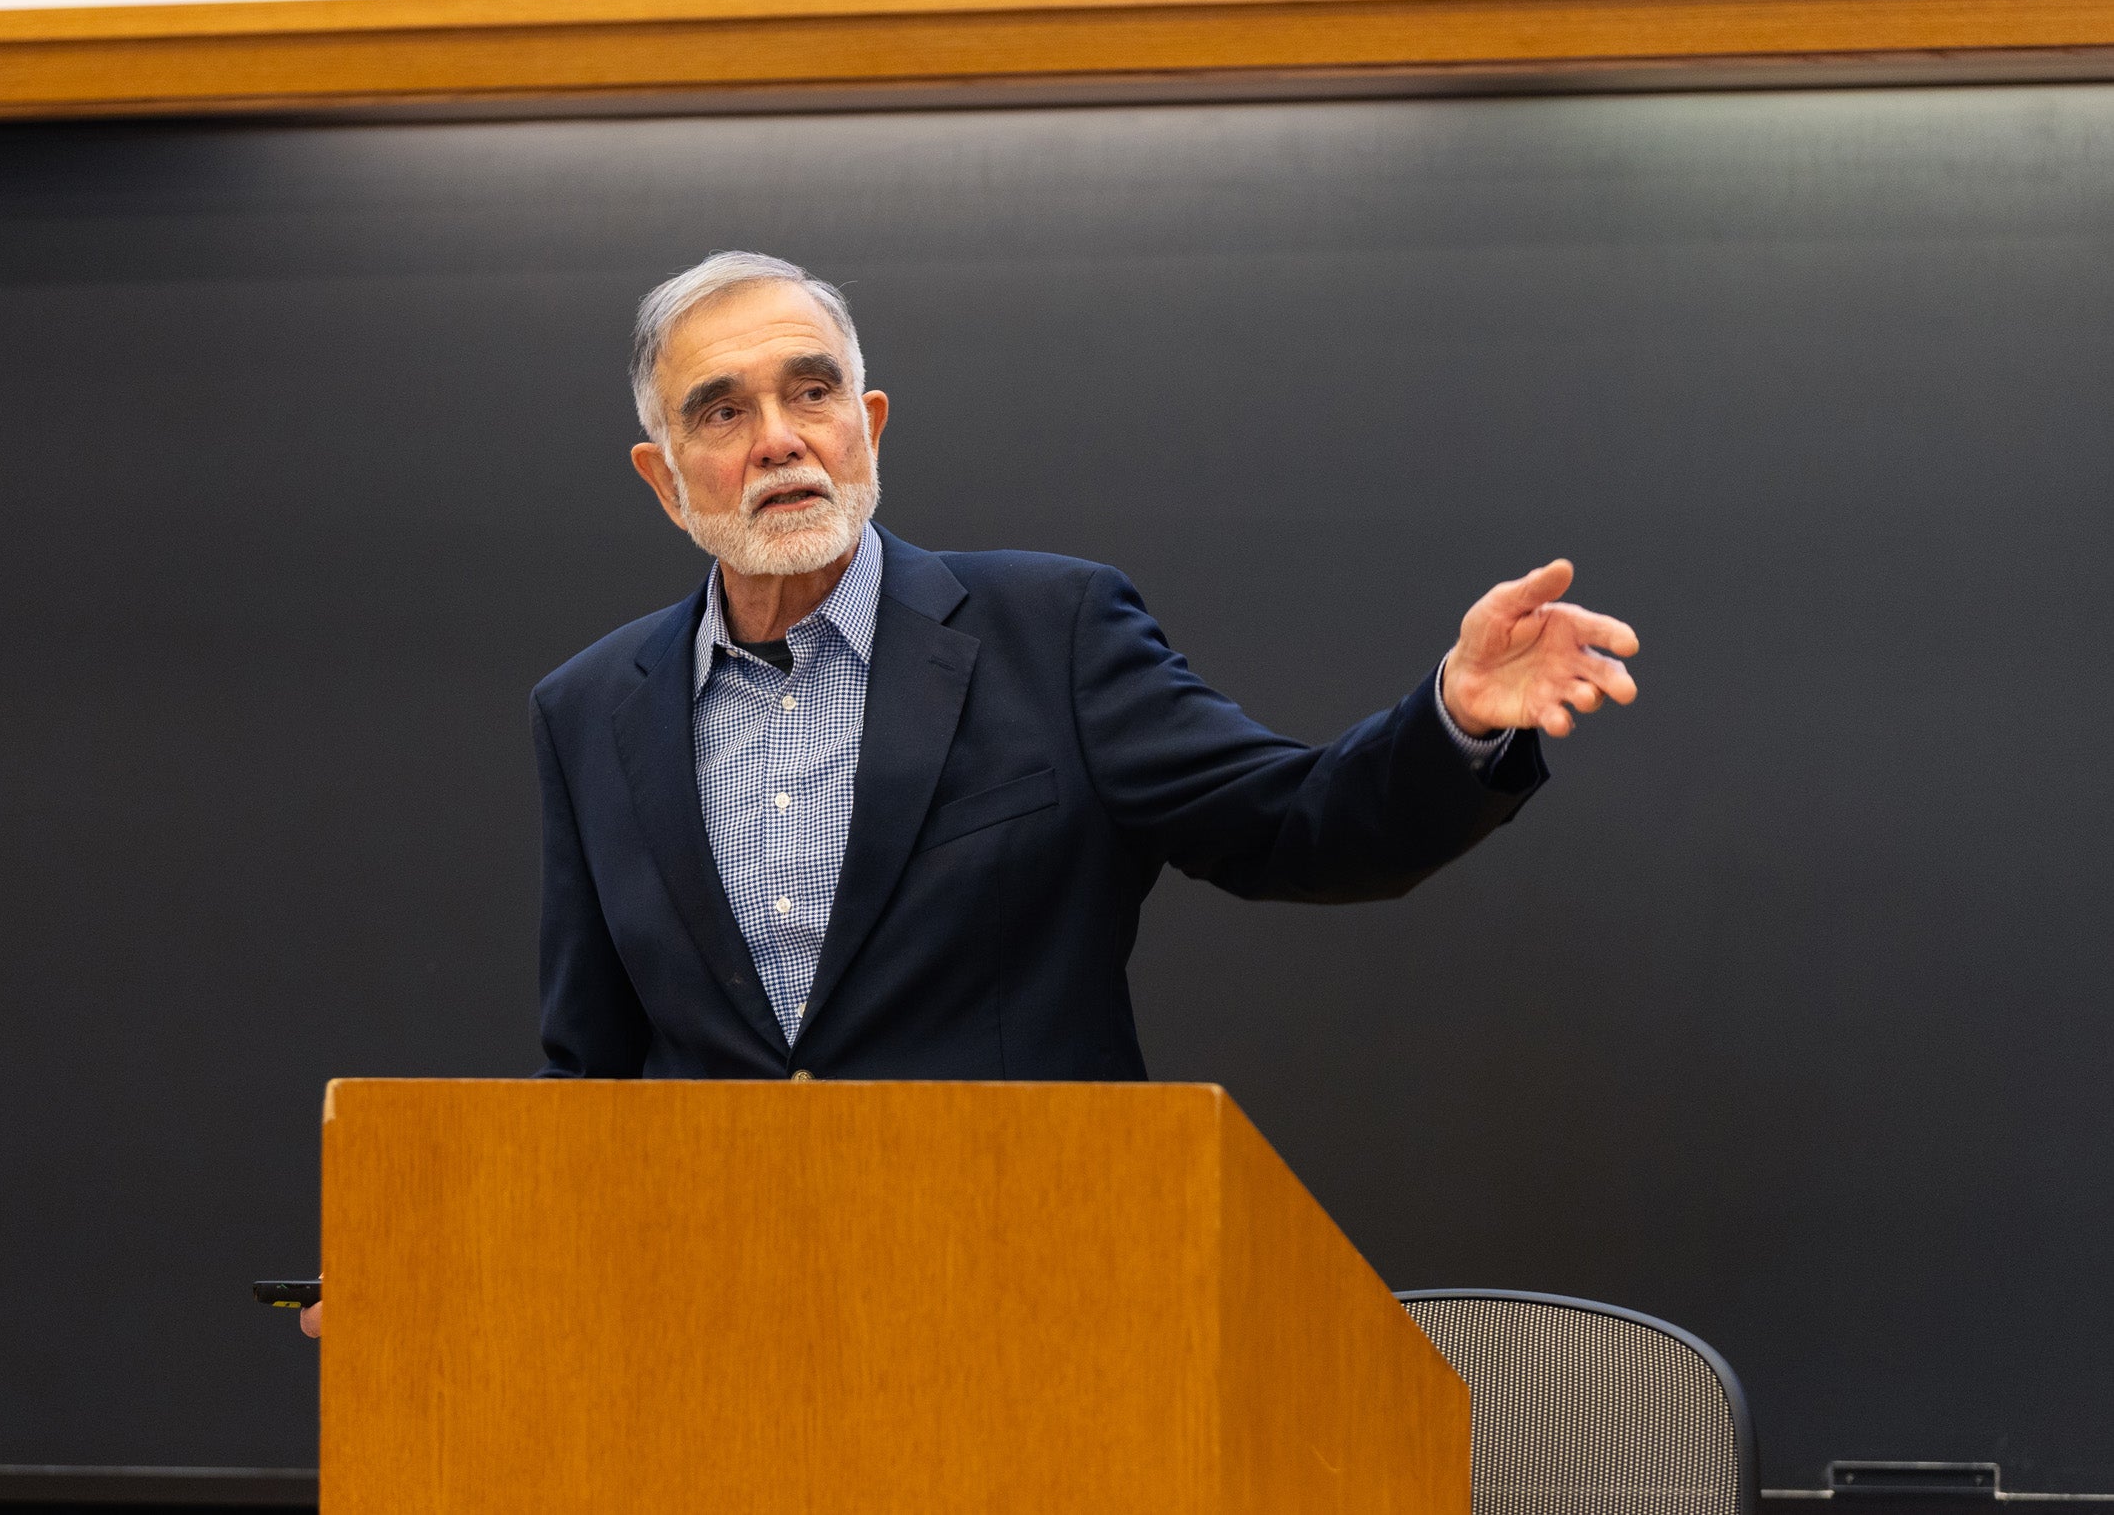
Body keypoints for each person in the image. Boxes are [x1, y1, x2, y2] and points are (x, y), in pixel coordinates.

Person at [298, 250, 1638, 1338]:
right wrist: (447, 1278)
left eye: (810, 392)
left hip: (1033, 1297)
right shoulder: (587, 708)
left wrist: (1452, 720)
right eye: (721, 410)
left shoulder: (1047, 628)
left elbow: (1295, 828)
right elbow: (589, 1075)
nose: (777, 440)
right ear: (662, 476)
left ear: (866, 426)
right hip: (720, 1323)